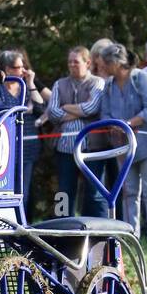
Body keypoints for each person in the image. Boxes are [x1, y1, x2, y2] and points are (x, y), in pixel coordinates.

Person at [98, 43, 147, 241]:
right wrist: (114, 127)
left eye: (104, 64)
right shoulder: (109, 85)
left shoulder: (140, 78)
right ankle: (131, 234)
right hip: (122, 145)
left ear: (114, 63)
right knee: (129, 191)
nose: (102, 68)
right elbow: (105, 112)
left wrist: (128, 124)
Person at [40, 47, 106, 217]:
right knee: (63, 191)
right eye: (69, 62)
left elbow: (92, 108)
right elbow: (53, 112)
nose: (71, 65)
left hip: (92, 147)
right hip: (64, 149)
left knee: (94, 191)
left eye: (76, 62)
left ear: (88, 63)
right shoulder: (59, 84)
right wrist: (80, 112)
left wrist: (66, 108)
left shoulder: (97, 83)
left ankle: (97, 229)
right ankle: (60, 229)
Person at [0, 48, 50, 208]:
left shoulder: (25, 87)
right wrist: (25, 109)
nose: (23, 70)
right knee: (6, 189)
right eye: (19, 67)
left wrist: (31, 84)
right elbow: (2, 109)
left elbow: (40, 107)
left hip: (27, 148)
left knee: (24, 191)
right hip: (6, 148)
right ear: (7, 69)